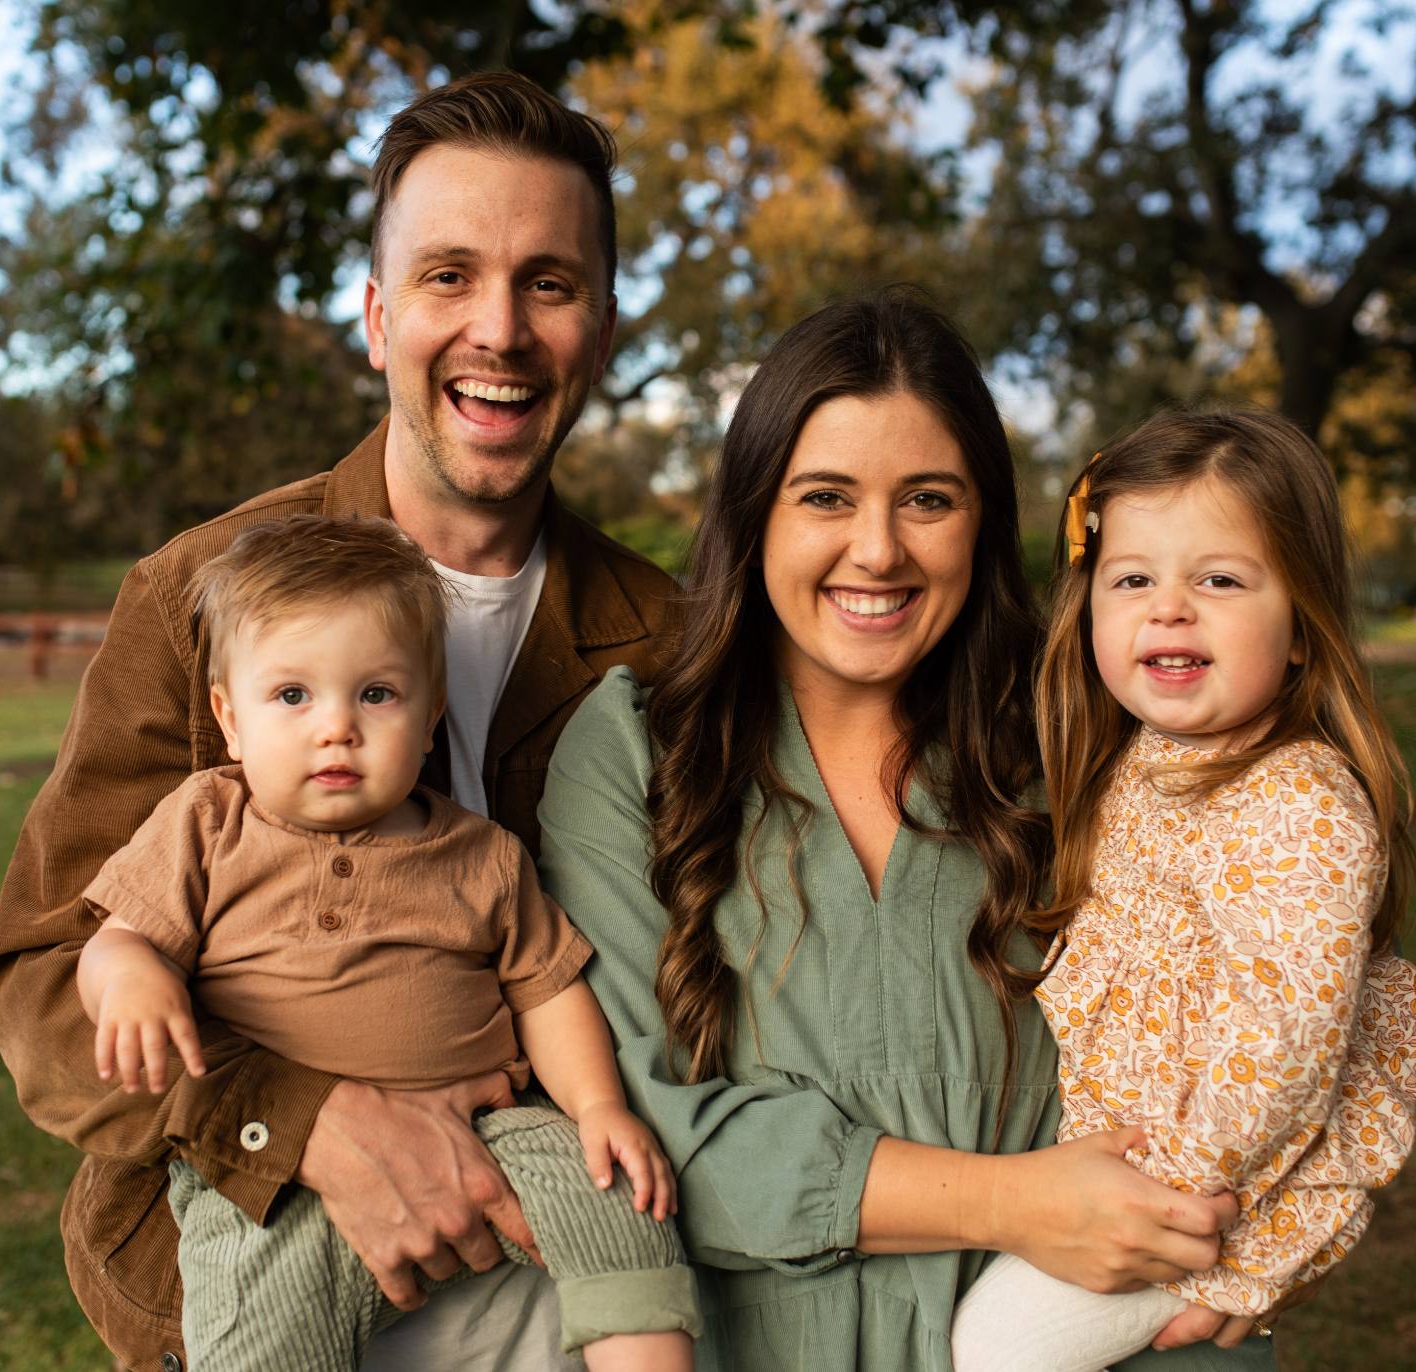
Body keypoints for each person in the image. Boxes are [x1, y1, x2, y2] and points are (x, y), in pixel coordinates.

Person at [0, 71, 676, 1372]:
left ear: (604, 327)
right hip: (254, 1278)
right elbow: (39, 982)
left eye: (550, 283)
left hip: (551, 1282)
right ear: (374, 315)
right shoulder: (200, 597)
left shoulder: (667, 643)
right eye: (448, 276)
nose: (500, 331)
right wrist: (294, 1120)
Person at [536, 289, 1280, 1370]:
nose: (876, 551)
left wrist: (1275, 1234)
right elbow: (652, 1144)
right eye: (824, 497)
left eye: (926, 498)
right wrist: (1017, 1202)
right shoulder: (631, 759)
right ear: (753, 515)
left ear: (982, 518)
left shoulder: (1089, 737)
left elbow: (1292, 978)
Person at [75, 515, 698, 1371]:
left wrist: (596, 1108)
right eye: (291, 696)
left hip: (489, 1128)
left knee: (616, 1197)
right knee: (254, 1329)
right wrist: (134, 977)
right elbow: (113, 944)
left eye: (376, 694)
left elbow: (546, 990)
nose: (337, 727)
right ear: (228, 718)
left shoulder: (478, 854)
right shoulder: (205, 825)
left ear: (430, 710)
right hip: (274, 1183)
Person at [947, 410, 1416, 1371]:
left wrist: (1171, 1203)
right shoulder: (1144, 756)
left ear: (1301, 627)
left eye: (1217, 580)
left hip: (1193, 1193)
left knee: (993, 1347)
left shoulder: (1298, 799)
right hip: (1115, 1165)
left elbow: (1283, 1039)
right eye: (1132, 580)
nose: (1168, 609)